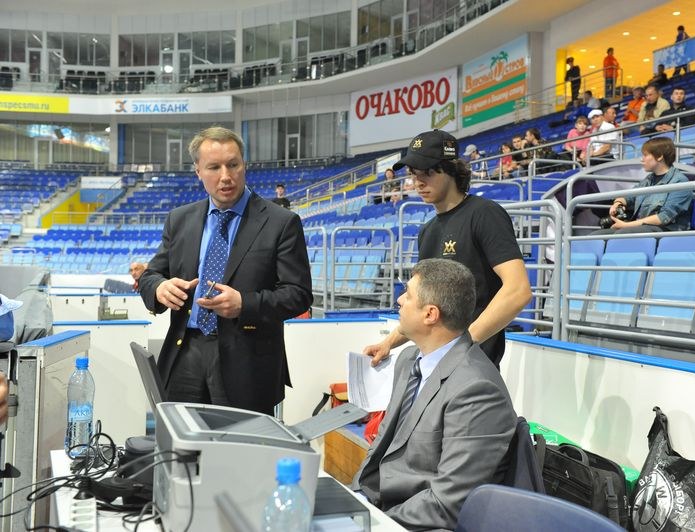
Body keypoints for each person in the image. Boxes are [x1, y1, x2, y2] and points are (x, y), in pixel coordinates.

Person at [138, 126, 313, 415]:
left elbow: (299, 294)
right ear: (198, 171)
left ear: (245, 165)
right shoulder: (179, 220)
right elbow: (150, 276)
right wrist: (159, 287)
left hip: (248, 364)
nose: (225, 176)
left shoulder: (281, 223)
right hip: (184, 355)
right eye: (214, 167)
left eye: (233, 165)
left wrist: (245, 304)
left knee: (242, 455)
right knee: (183, 454)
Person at [352, 259, 517, 531]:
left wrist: (374, 522)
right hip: (383, 508)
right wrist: (355, 497)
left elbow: (448, 504)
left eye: (407, 294)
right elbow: (381, 444)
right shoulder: (408, 359)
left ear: (430, 314)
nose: (399, 299)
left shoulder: (477, 390)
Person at [364, 130, 531, 368]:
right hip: (435, 363)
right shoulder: (428, 230)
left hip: (472, 365)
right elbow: (422, 303)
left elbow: (518, 290)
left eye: (428, 172)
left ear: (451, 169)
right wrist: (388, 343)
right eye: (414, 173)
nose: (418, 182)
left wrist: (464, 344)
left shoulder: (484, 214)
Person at [592, 137, 693, 235]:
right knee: (595, 236)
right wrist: (618, 203)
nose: (642, 159)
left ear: (660, 156)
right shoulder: (649, 180)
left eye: (645, 155)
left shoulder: (680, 182)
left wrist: (627, 225)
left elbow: (663, 218)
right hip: (641, 228)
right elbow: (629, 197)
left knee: (623, 233)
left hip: (667, 231)